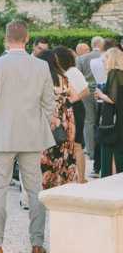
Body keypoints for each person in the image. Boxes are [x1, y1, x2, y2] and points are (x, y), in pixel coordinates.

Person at [0, 21, 55, 253]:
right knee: (35, 189)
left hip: (3, 134)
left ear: (6, 38)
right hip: (32, 135)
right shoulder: (41, 66)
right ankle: (37, 242)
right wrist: (37, 124)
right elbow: (49, 103)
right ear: (27, 38)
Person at [39, 49, 77, 189]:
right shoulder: (64, 78)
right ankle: (61, 185)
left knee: (47, 154)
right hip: (65, 120)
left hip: (48, 119)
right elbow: (74, 97)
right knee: (64, 152)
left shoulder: (40, 78)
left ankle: (46, 187)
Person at [54, 45, 88, 183]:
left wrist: (71, 100)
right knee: (70, 144)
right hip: (69, 110)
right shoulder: (63, 73)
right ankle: (73, 176)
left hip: (76, 109)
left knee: (77, 144)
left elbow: (86, 91)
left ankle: (82, 178)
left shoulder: (73, 71)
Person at [76, 36, 104, 170]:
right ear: (101, 44)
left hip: (86, 92)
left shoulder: (81, 59)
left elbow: (77, 77)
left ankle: (91, 152)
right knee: (102, 121)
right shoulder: (105, 56)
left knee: (88, 121)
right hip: (102, 91)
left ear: (92, 45)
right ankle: (100, 152)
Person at [95, 46, 123, 176]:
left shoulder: (114, 73)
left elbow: (113, 99)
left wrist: (100, 94)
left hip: (113, 120)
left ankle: (110, 179)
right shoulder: (120, 74)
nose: (103, 61)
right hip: (119, 117)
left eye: (105, 58)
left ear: (111, 59)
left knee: (111, 149)